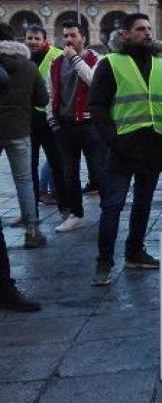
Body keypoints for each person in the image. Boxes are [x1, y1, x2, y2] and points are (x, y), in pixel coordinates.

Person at [88, 14, 162, 285]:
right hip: (124, 144)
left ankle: (135, 252)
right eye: (140, 29)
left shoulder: (161, 65)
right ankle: (104, 262)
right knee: (113, 205)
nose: (147, 33)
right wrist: (111, 139)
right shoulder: (110, 63)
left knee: (144, 202)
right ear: (124, 34)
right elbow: (97, 105)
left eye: (148, 29)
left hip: (154, 143)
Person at [49, 21, 105, 233]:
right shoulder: (56, 63)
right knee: (69, 173)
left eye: (73, 35)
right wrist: (52, 120)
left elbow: (93, 81)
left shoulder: (96, 59)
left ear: (83, 38)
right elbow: (51, 93)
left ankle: (108, 209)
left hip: (89, 124)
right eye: (65, 36)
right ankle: (76, 214)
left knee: (99, 171)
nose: (68, 40)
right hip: (65, 124)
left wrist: (74, 58)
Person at [0, 22, 49, 249]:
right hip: (19, 129)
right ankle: (32, 232)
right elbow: (42, 100)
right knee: (24, 180)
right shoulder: (28, 66)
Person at [24, 26, 68, 217]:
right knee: (29, 166)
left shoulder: (57, 55)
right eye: (29, 38)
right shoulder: (23, 59)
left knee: (57, 162)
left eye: (36, 38)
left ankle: (65, 206)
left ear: (44, 40)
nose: (33, 42)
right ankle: (31, 209)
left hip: (51, 119)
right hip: (29, 120)